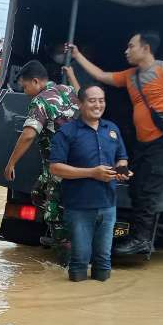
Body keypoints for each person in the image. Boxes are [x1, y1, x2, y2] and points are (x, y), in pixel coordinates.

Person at [69, 31, 163, 255]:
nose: (126, 51)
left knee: (148, 192)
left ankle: (141, 242)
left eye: (131, 46)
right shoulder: (131, 76)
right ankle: (138, 239)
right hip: (144, 144)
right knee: (137, 188)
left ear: (146, 48)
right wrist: (78, 56)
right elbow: (102, 76)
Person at [48, 85, 131, 282]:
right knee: (80, 260)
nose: (98, 105)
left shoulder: (112, 129)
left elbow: (122, 158)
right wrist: (92, 173)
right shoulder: (67, 132)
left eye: (101, 100)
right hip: (79, 208)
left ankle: (102, 307)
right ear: (80, 103)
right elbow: (55, 168)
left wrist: (121, 171)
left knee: (104, 260)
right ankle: (76, 305)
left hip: (108, 205)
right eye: (92, 100)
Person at [2, 60, 79, 251]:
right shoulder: (67, 90)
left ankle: (64, 244)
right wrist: (72, 77)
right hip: (77, 159)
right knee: (37, 193)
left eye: (25, 86)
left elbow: (28, 135)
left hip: (59, 164)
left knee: (52, 211)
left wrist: (11, 163)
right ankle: (63, 230)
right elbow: (84, 96)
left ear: (36, 82)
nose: (25, 91)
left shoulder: (41, 100)